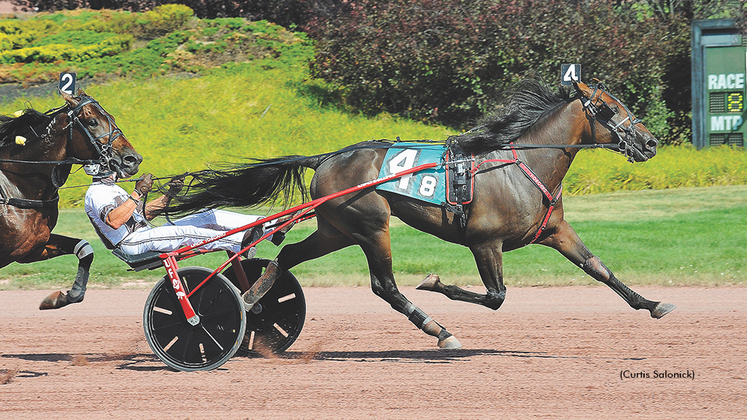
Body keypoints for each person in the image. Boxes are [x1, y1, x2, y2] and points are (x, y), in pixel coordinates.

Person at [84, 164, 271, 258]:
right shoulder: (97, 192)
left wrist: (169, 195)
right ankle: (239, 242)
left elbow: (142, 215)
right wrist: (138, 192)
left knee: (206, 214)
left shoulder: (113, 188)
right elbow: (114, 221)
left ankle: (269, 227)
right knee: (184, 232)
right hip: (131, 243)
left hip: (144, 234)